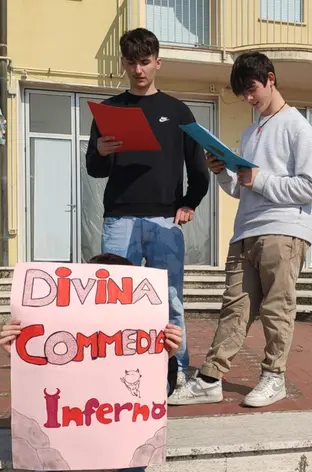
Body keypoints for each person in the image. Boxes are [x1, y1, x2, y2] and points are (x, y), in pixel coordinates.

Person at [168, 51, 312, 408]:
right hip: (245, 231)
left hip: (283, 231)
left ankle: (274, 376)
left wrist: (260, 178)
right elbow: (241, 188)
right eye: (243, 93)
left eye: (252, 89)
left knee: (276, 308)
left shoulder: (297, 127)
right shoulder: (251, 131)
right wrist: (222, 171)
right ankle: (210, 379)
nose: (249, 98)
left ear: (271, 78)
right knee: (233, 307)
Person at [85, 27, 210, 395]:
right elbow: (95, 168)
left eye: (144, 62)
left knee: (170, 298)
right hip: (119, 219)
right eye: (131, 63)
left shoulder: (177, 111)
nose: (138, 70)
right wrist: (102, 152)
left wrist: (190, 203)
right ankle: (111, 367)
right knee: (111, 298)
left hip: (164, 220)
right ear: (123, 64)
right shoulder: (109, 110)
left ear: (158, 62)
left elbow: (197, 167)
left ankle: (180, 368)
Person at [0, 253, 184, 472]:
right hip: (73, 413)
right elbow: (43, 376)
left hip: (120, 414)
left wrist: (165, 354)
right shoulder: (65, 326)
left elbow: (159, 390)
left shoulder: (142, 330)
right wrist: (17, 352)